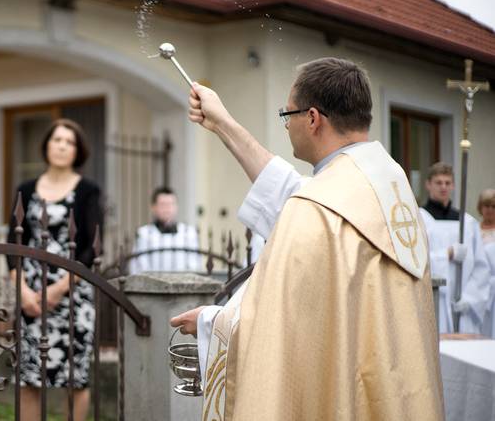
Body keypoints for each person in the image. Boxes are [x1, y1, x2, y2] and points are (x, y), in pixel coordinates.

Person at [170, 58, 443, 420]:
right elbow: (292, 190)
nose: (286, 126)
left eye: (288, 115)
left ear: (313, 118)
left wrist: (209, 322)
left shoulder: (316, 210)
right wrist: (223, 124)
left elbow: (275, 323)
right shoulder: (388, 183)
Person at [7, 119, 102, 421]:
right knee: (29, 380)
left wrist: (58, 290)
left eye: (69, 141)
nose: (62, 145)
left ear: (78, 151)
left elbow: (92, 248)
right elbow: (12, 244)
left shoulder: (88, 191)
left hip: (72, 295)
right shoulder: (25, 189)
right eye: (57, 139)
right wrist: (23, 292)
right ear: (46, 145)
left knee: (75, 380)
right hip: (30, 298)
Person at [418, 163, 490, 334]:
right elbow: (416, 261)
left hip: (462, 306)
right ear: (428, 185)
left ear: (454, 186)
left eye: (447, 183)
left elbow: (481, 268)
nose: (444, 187)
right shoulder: (419, 218)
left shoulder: (467, 222)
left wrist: (470, 299)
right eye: (438, 182)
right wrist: (446, 255)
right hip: (435, 302)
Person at [130, 187, 199, 273]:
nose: (167, 209)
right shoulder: (144, 234)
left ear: (176, 206)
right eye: (163, 204)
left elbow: (194, 265)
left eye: (171, 204)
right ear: (153, 207)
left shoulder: (189, 233)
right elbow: (138, 267)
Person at [477, 189, 495, 337]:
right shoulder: (473, 229)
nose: (489, 210)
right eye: (486, 206)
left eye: (493, 206)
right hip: (478, 287)